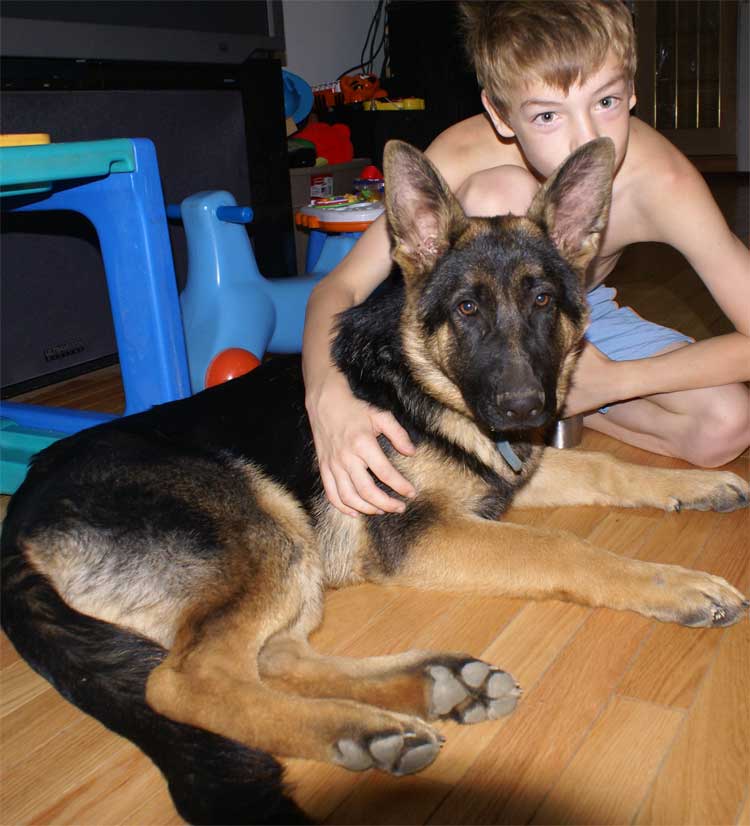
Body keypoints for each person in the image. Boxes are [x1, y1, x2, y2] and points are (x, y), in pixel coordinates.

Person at [302, 0, 750, 518]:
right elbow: (339, 288)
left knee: (728, 424)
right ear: (500, 113)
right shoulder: (463, 153)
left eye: (604, 101)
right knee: (503, 193)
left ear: (632, 91)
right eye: (546, 115)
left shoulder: (664, 185)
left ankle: (565, 402)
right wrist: (327, 397)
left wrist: (617, 382)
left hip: (574, 312)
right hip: (475, 321)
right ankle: (524, 406)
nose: (587, 136)